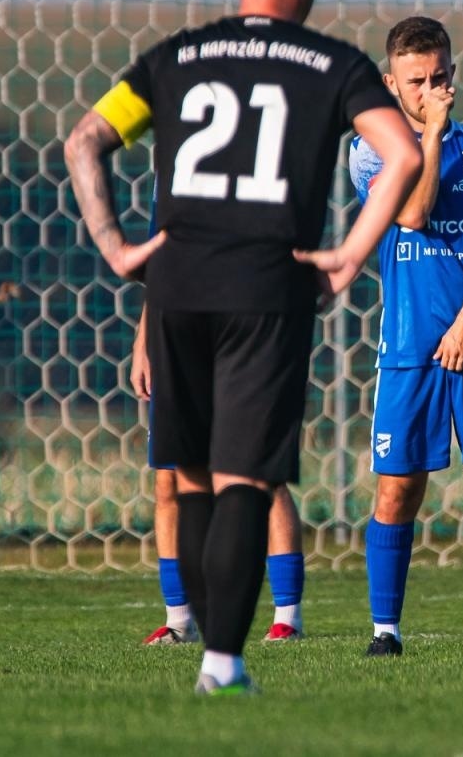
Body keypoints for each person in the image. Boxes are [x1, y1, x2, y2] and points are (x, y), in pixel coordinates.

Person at [65, 0, 419, 695]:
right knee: (245, 483)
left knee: (190, 479)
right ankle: (223, 663)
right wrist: (351, 256)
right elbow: (401, 153)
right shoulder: (331, 63)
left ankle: (203, 642)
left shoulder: (174, 58)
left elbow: (82, 140)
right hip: (265, 290)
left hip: (177, 288)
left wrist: (119, 247)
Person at [349, 16, 463, 657]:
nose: (432, 90)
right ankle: (385, 632)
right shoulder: (372, 153)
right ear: (390, 83)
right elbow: (413, 213)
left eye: (441, 77)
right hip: (408, 351)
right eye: (417, 81)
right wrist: (427, 135)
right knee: (398, 488)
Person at [129, 202, 308, 646]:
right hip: (177, 339)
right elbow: (161, 267)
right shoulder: (173, 176)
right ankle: (179, 619)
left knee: (259, 474)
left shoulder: (262, 168)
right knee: (169, 479)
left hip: (246, 337)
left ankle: (287, 615)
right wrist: (143, 340)